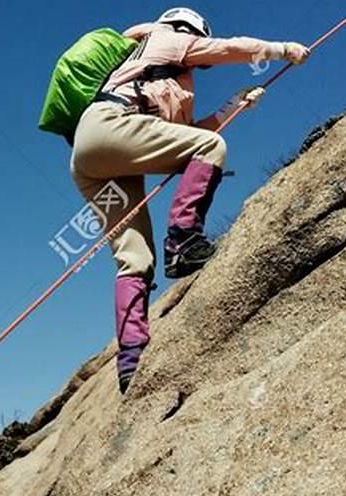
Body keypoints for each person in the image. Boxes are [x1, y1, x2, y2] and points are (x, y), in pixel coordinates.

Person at [69, 7, 311, 394]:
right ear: (188, 29)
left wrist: (231, 109)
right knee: (213, 148)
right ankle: (182, 242)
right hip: (113, 127)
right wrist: (281, 49)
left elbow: (180, 140)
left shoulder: (151, 70)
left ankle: (131, 362)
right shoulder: (165, 38)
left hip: (92, 153)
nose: (198, 66)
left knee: (135, 259)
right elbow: (229, 48)